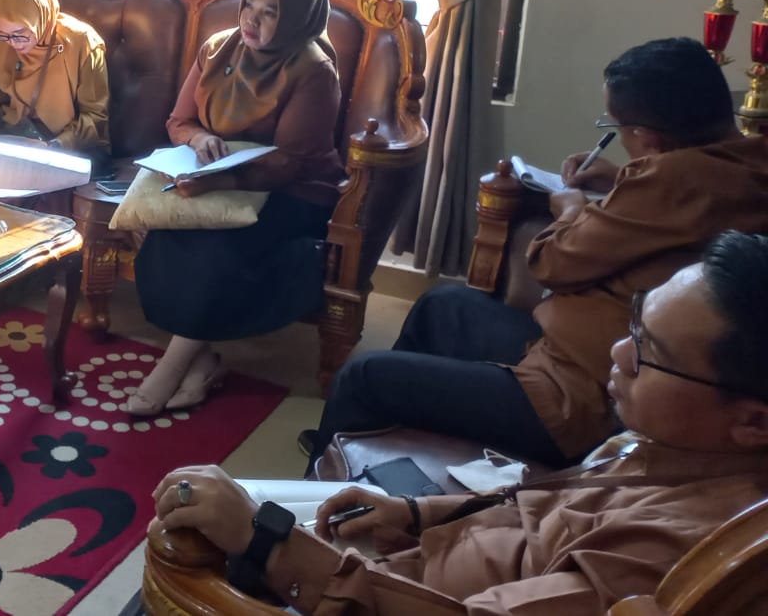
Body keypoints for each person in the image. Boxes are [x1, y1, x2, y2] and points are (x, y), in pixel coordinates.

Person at [154, 230, 768, 615]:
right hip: (405, 559)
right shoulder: (666, 447)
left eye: (650, 352)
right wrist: (417, 514)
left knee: (176, 547)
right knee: (207, 500)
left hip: (371, 595)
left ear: (753, 422)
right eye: (634, 323)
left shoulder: (658, 551)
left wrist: (268, 543)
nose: (618, 352)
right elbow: (543, 511)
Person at [310, 37, 768, 468]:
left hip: (573, 398)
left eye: (617, 128)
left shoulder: (669, 183)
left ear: (649, 138)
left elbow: (551, 262)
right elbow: (680, 213)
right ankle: (374, 443)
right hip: (568, 352)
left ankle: (320, 481)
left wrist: (570, 209)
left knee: (364, 375)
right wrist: (622, 182)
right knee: (442, 305)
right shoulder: (743, 167)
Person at [125, 0, 344, 417]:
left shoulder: (314, 70)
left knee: (219, 248)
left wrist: (219, 181)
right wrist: (200, 139)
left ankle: (171, 366)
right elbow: (179, 121)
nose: (252, 20)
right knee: (167, 234)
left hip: (295, 192)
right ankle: (202, 362)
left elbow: (291, 162)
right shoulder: (217, 48)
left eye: (270, 12)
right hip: (219, 179)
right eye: (249, 5)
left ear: (297, 18)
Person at [0, 0, 110, 162]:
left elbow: (95, 117)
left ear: (40, 17)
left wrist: (54, 146)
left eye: (20, 33)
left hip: (71, 148)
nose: (13, 43)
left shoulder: (82, 43)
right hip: (16, 141)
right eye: (2, 33)